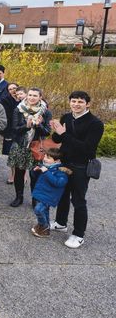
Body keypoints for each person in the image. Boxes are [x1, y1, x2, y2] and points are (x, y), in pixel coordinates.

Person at [50, 91, 104, 248]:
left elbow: (87, 149)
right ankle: (61, 223)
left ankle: (79, 234)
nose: (76, 104)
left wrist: (64, 134)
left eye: (80, 102)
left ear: (87, 104)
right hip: (64, 162)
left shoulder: (95, 123)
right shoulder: (67, 117)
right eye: (73, 101)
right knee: (63, 195)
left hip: (81, 166)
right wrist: (55, 130)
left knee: (78, 200)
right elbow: (57, 139)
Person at [7, 88, 51, 208]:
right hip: (20, 145)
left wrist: (38, 125)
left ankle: (35, 199)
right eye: (30, 95)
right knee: (19, 173)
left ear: (40, 97)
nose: (32, 97)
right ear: (26, 96)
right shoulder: (19, 109)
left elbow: (47, 132)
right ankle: (19, 197)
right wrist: (27, 126)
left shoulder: (45, 112)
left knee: (35, 174)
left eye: (35, 95)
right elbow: (15, 129)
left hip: (36, 146)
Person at [30, 147, 72, 238]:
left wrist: (46, 172)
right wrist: (35, 171)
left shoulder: (61, 172)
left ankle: (43, 226)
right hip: (41, 194)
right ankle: (45, 229)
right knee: (44, 212)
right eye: (45, 156)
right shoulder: (46, 167)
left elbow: (58, 183)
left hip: (49, 196)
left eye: (48, 158)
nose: (44, 158)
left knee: (38, 210)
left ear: (57, 161)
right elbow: (36, 178)